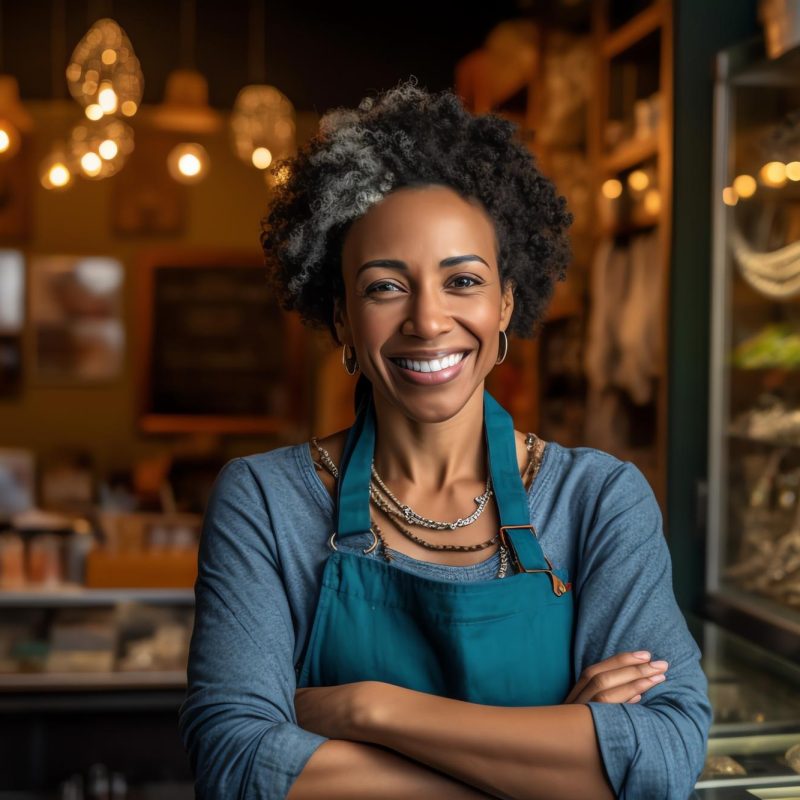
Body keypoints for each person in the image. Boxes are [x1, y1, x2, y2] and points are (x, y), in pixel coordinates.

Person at [178, 77, 711, 799]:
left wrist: (368, 710)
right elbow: (238, 766)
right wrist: (551, 760)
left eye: (461, 281)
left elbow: (667, 757)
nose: (428, 321)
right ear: (340, 320)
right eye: (384, 287)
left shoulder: (600, 502)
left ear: (506, 307)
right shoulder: (266, 502)